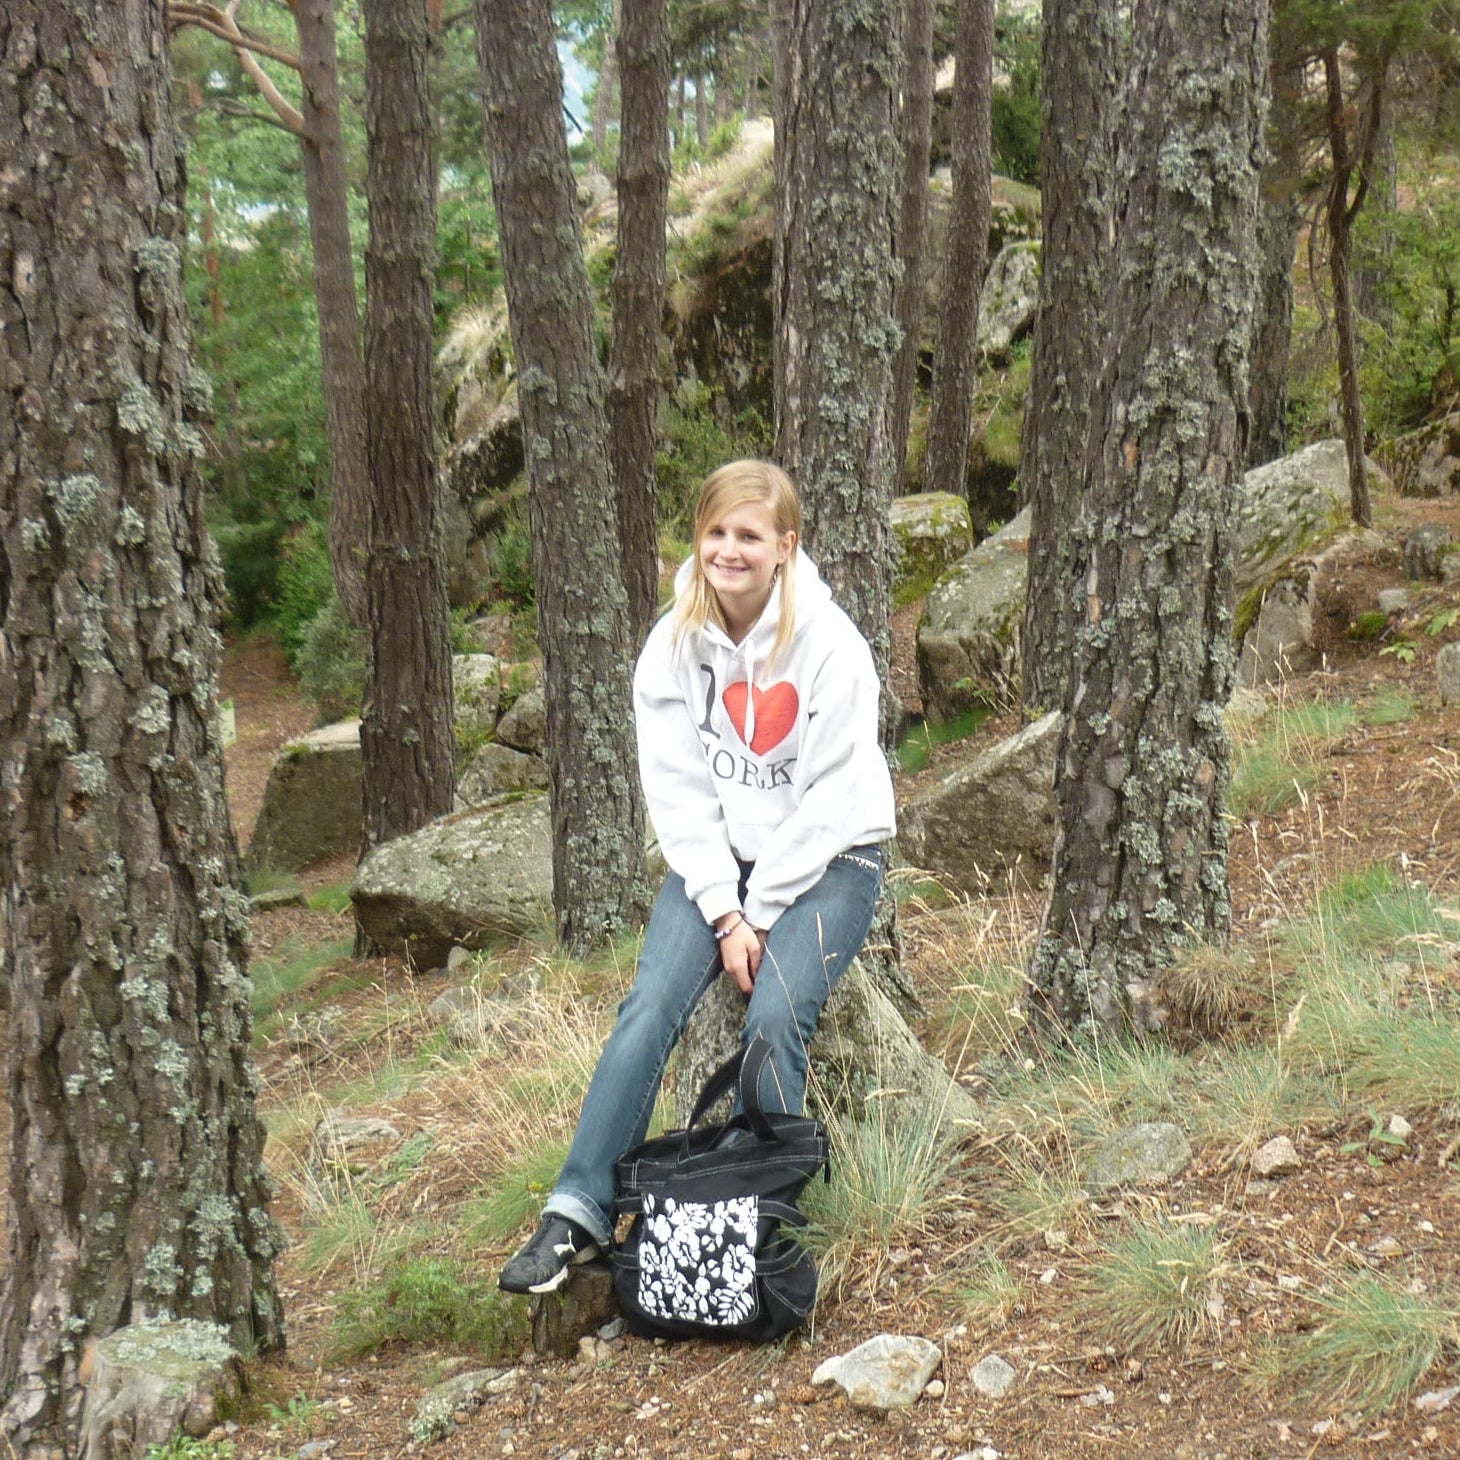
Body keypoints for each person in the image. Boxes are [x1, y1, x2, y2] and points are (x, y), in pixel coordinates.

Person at [499, 459, 896, 1295]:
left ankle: (764, 1231)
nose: (729, 550)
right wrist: (725, 913)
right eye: (716, 533)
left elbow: (832, 800)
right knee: (647, 1010)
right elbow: (678, 797)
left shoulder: (832, 648)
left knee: (774, 1017)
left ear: (786, 546)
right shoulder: (672, 645)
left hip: (832, 858)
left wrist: (761, 908)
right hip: (719, 865)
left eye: (749, 535)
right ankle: (575, 1211)